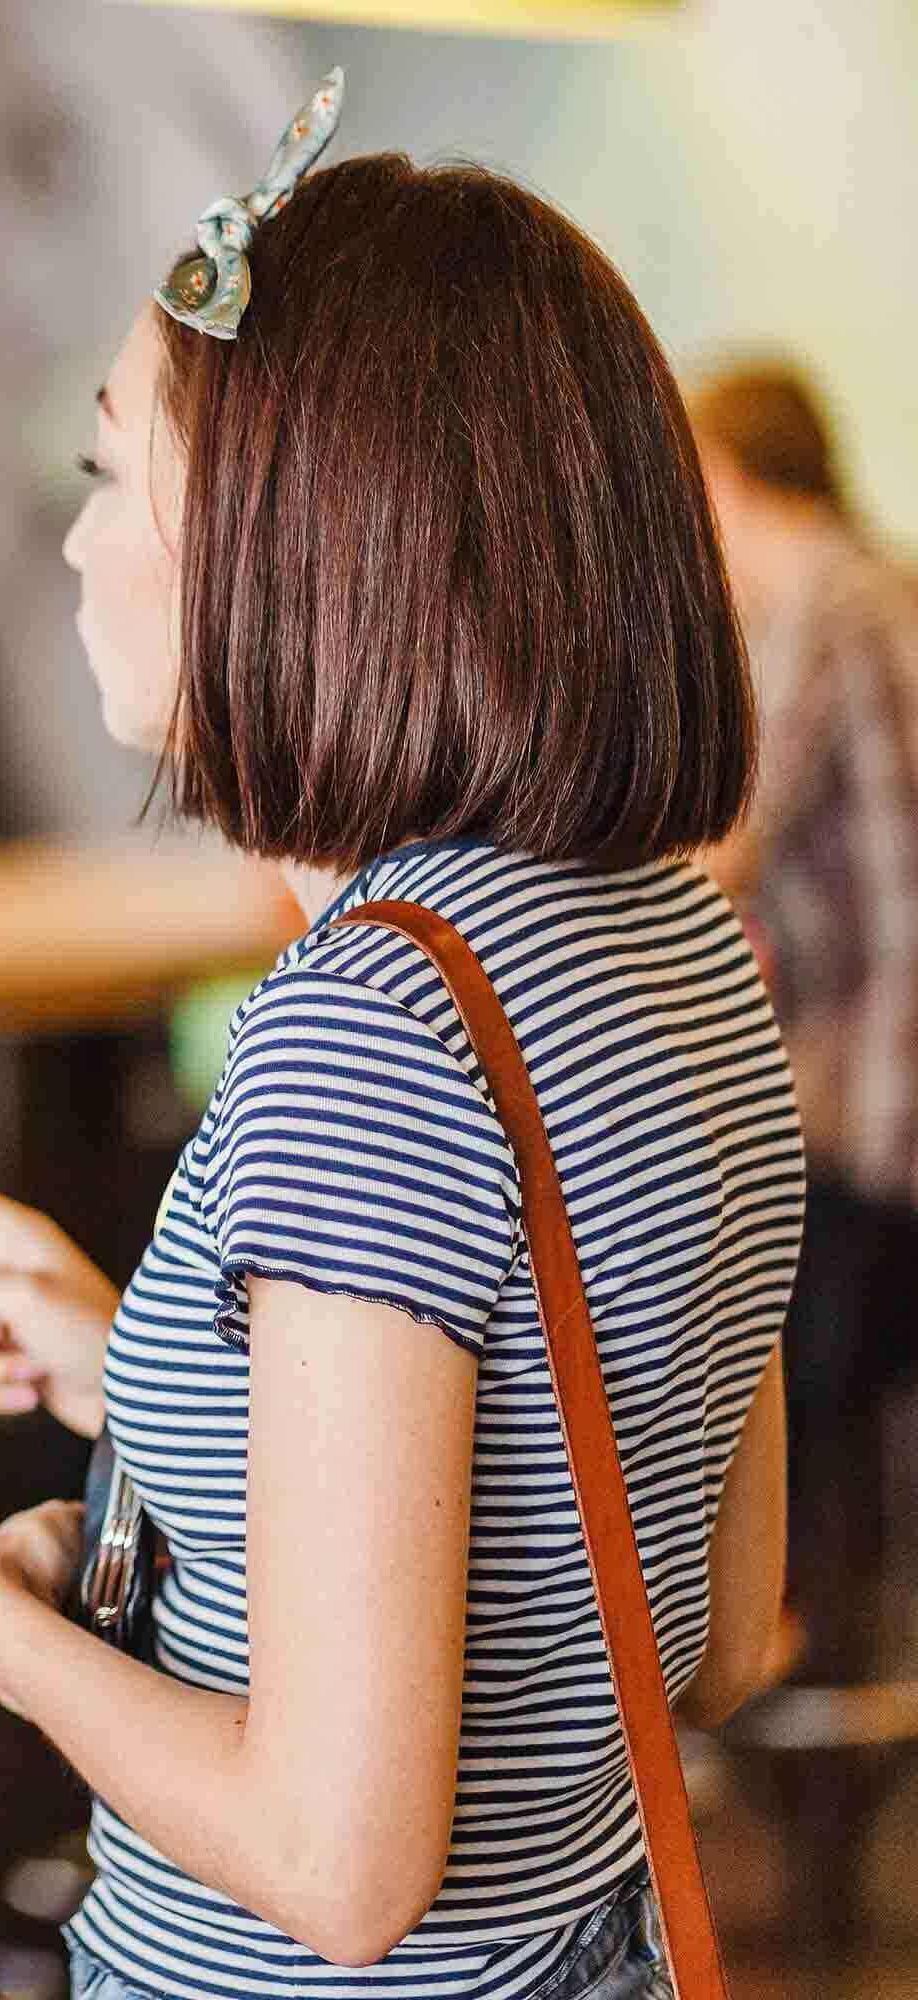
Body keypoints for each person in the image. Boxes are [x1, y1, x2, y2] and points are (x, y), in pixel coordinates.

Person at [0, 87, 796, 2000]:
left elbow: (338, 1862)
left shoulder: (367, 1037)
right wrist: (136, 1361)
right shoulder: (682, 946)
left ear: (295, 537)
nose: (75, 543)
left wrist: (9, 1628)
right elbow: (706, 1628)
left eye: (111, 468)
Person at [688, 362, 918, 1938]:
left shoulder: (829, 611)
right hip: (888, 1132)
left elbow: (723, 844)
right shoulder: (889, 591)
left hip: (868, 1137)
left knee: (806, 1473)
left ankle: (813, 1821)